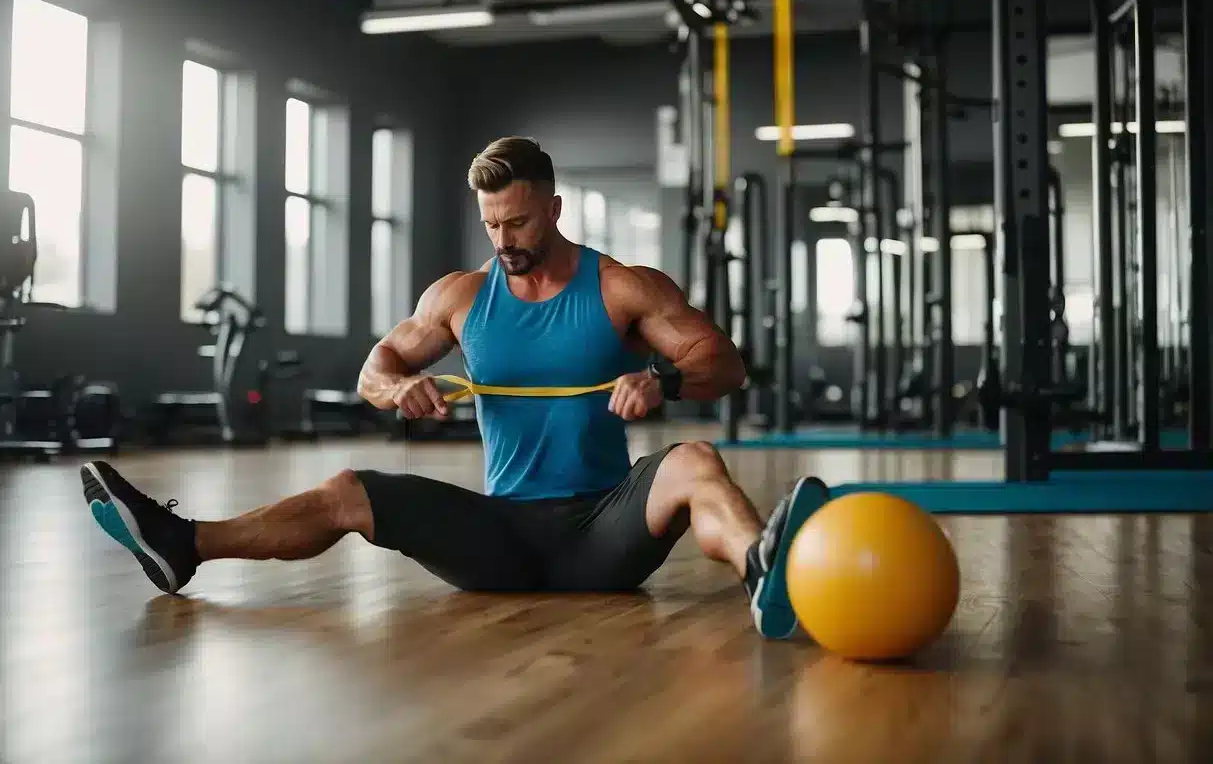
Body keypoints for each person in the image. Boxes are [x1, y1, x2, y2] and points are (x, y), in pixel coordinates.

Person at [81, 136, 827, 639]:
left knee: (693, 459)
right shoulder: (461, 297)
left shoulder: (621, 287)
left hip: (605, 530)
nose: (506, 240)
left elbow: (723, 362)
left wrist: (660, 377)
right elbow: (375, 368)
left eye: (521, 221)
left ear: (555, 209)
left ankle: (761, 568)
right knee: (348, 488)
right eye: (493, 225)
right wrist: (398, 385)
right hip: (498, 537)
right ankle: (186, 543)